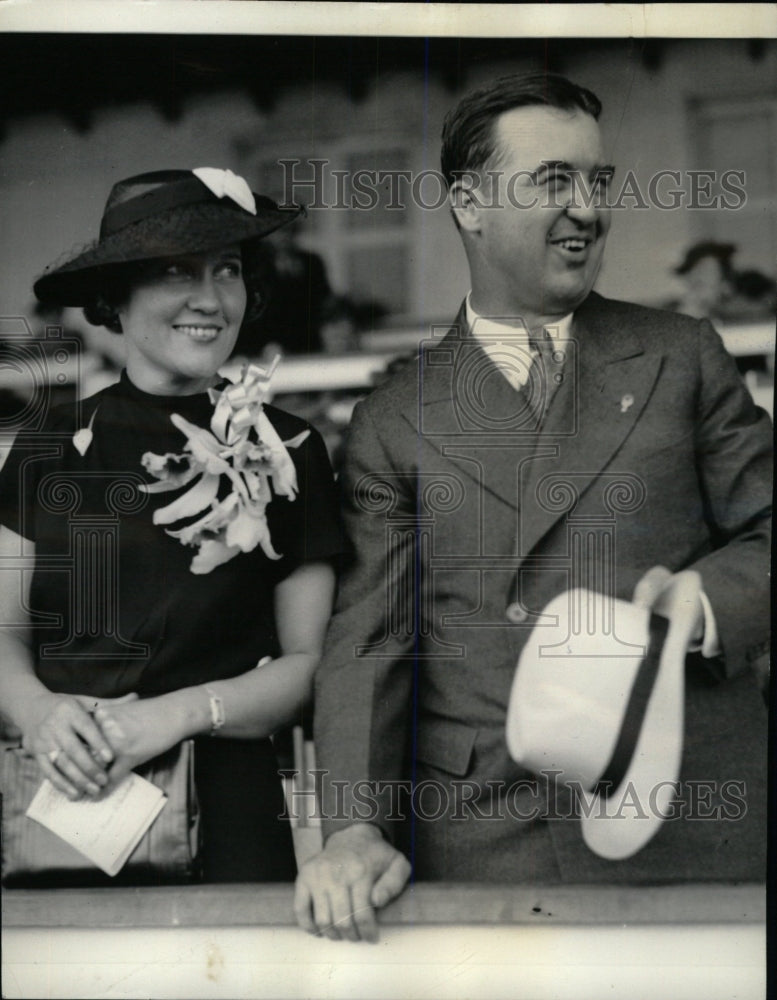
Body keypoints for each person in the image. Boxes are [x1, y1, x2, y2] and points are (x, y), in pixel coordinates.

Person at [294, 74, 771, 940]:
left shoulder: (682, 355)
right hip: (489, 835)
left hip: (683, 815)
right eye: (554, 180)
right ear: (469, 203)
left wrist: (698, 605)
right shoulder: (394, 417)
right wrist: (356, 829)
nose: (588, 208)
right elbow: (369, 643)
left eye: (598, 181)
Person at [0, 168, 343, 883]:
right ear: (115, 298)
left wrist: (179, 714)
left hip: (231, 815)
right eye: (174, 272)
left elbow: (309, 666)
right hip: (63, 803)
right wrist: (37, 711)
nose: (209, 299)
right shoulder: (45, 451)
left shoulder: (292, 452)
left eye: (227, 271)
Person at [666, 240, 736, 320]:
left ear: (724, 284)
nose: (699, 276)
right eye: (694, 269)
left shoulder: (735, 316)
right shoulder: (666, 312)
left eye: (707, 270)